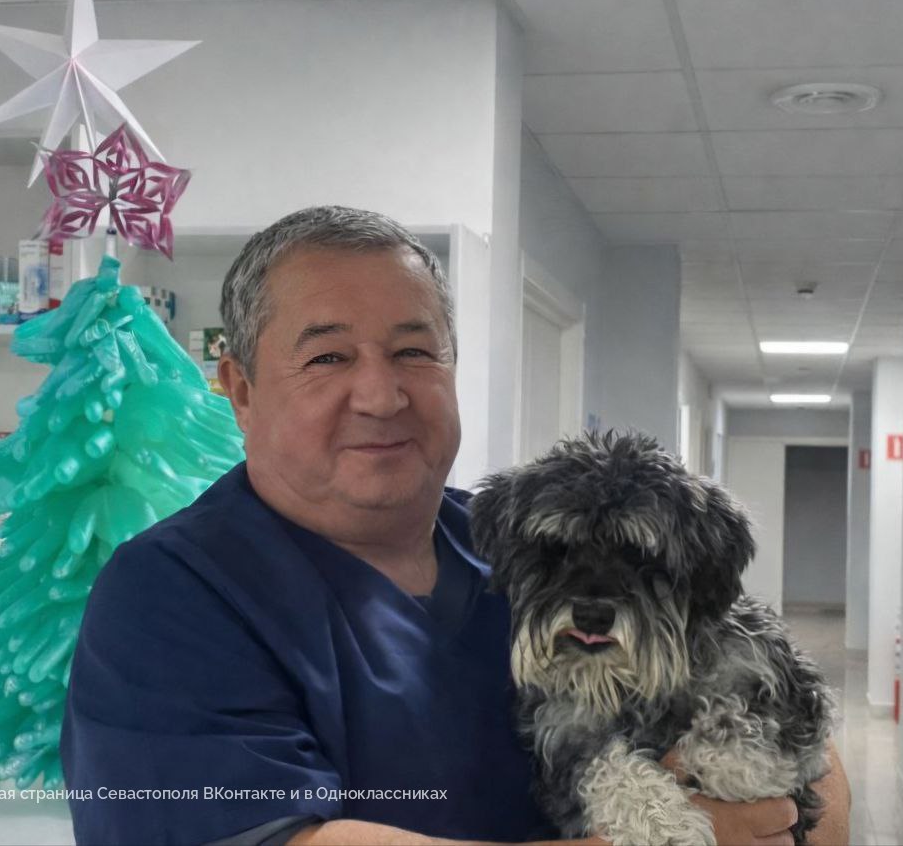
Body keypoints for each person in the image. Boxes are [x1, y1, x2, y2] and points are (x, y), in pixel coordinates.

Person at [60, 206, 851, 846]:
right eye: (329, 358)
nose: (382, 396)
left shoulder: (530, 545)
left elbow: (802, 745)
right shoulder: (171, 596)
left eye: (414, 352)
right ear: (240, 387)